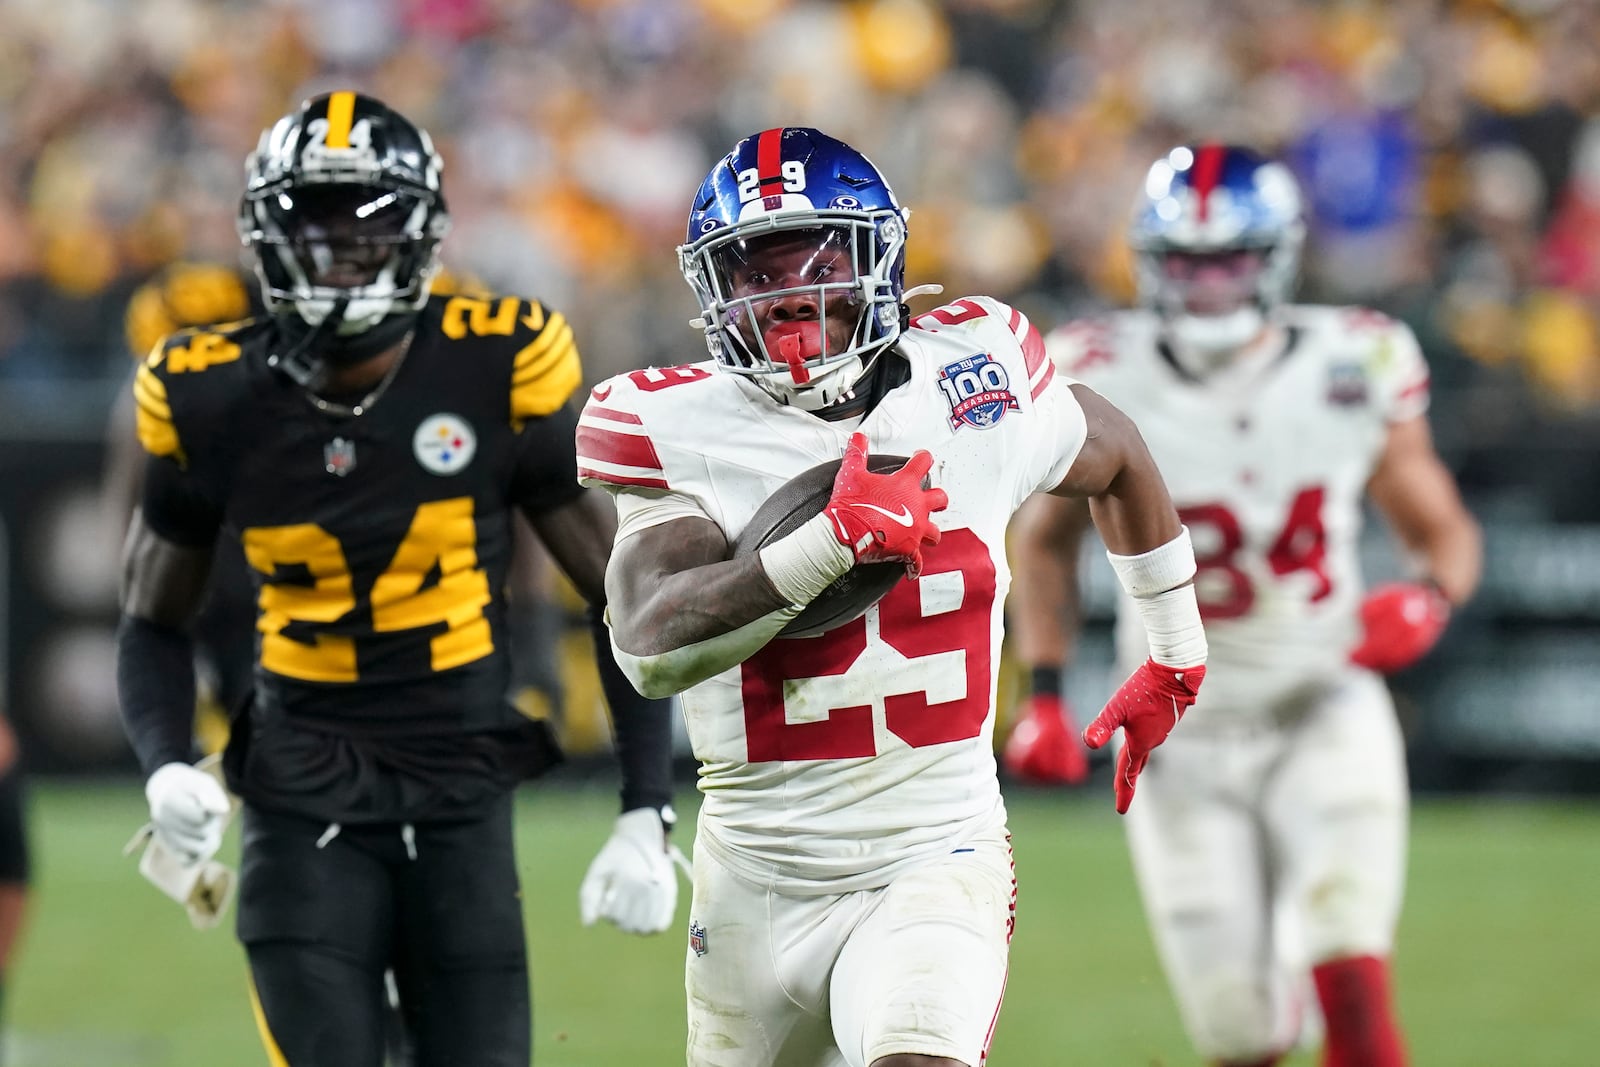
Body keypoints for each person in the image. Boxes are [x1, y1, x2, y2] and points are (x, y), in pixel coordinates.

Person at [577, 126, 1209, 1067]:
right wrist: (827, 543)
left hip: (933, 854)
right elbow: (649, 645)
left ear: (881, 259)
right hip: (754, 878)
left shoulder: (969, 385)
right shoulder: (677, 426)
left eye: (814, 263)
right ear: (713, 288)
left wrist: (1174, 647)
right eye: (755, 270)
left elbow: (1111, 446)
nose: (790, 295)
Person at [116, 91, 680, 1067]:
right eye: (311, 220)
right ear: (262, 232)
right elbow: (150, 617)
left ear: (420, 233)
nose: (337, 248)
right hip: (299, 791)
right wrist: (165, 755)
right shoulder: (207, 391)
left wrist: (646, 805)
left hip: (460, 791)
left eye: (364, 222)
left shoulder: (497, 359)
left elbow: (616, 589)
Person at [1006, 144, 1483, 1067]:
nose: (1209, 284)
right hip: (1177, 732)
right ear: (1151, 264)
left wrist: (1429, 599)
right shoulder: (1096, 364)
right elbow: (1044, 541)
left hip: (1323, 698)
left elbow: (1444, 527)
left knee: (1353, 976)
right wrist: (1049, 693)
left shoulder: (1358, 355)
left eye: (1230, 259)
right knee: (1240, 1032)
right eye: (1186, 262)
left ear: (1275, 259)